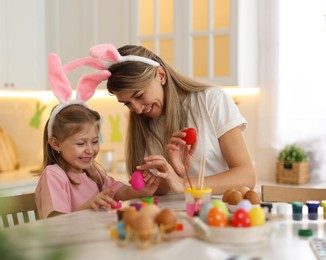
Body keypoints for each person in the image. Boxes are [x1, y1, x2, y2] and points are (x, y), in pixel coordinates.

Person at [87, 43, 256, 195]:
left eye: (139, 95)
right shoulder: (143, 124)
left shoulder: (211, 100)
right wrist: (174, 173)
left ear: (161, 75)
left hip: (215, 217)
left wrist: (184, 184)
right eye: (127, 103)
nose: (137, 109)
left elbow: (246, 176)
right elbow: (152, 189)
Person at [35, 53, 160, 219]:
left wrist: (140, 191)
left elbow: (118, 192)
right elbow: (53, 221)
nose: (90, 150)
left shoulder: (92, 173)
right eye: (80, 144)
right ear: (56, 144)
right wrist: (89, 205)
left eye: (94, 141)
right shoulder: (54, 175)